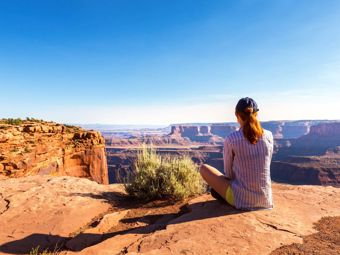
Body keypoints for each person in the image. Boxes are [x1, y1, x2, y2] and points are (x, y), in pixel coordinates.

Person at [200, 97, 274, 210]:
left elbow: (229, 175)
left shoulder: (232, 139)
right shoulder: (269, 135)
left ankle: (226, 197)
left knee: (203, 168)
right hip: (265, 199)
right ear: (256, 114)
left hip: (241, 200)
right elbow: (267, 164)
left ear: (237, 115)